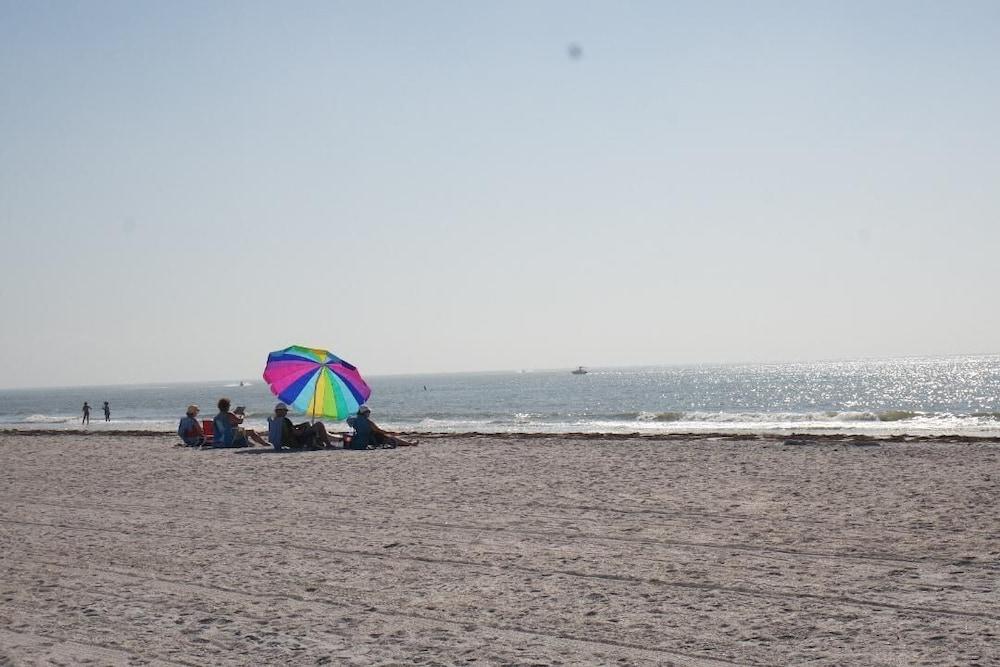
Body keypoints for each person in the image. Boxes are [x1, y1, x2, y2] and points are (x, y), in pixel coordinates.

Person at [267, 403, 339, 450]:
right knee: (319, 424)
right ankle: (328, 444)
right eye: (285, 411)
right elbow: (297, 433)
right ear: (280, 411)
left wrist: (300, 426)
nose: (286, 412)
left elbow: (289, 430)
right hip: (295, 442)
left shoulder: (276, 421)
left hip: (285, 441)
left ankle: (318, 443)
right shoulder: (285, 420)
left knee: (307, 425)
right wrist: (303, 429)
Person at [346, 405, 418, 450]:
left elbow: (348, 420)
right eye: (368, 412)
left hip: (358, 439)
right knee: (389, 437)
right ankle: (410, 444)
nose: (369, 414)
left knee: (387, 437)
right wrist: (389, 432)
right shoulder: (369, 422)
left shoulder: (355, 420)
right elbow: (378, 430)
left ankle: (407, 442)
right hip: (369, 440)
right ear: (365, 413)